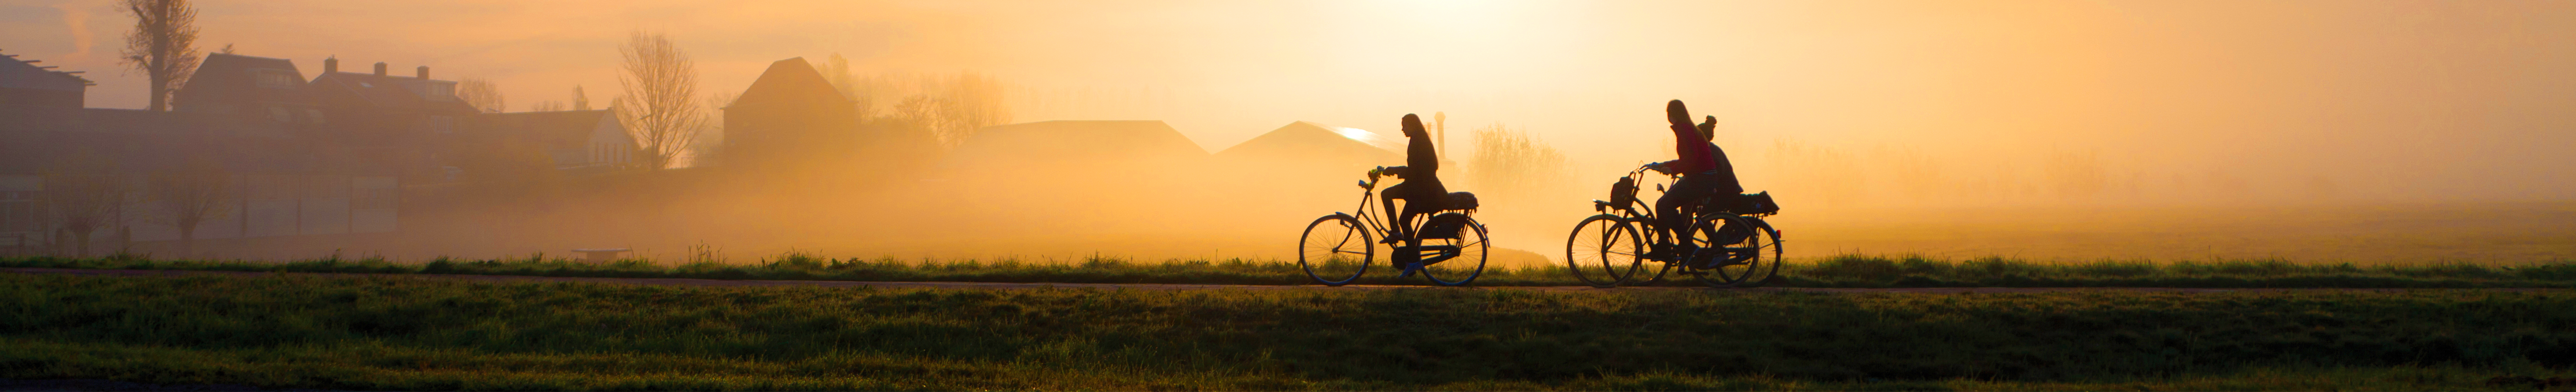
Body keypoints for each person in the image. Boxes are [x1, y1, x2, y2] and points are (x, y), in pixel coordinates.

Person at [1644, 100, 1744, 261]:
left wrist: (1673, 170)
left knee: (1664, 205)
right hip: (1702, 177)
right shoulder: (1688, 128)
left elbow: (1691, 158)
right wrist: (1663, 165)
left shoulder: (1684, 129)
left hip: (1701, 178)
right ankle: (1666, 246)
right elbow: (1687, 158)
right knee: (1664, 204)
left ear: (1672, 114)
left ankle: (1685, 245)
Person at [1372, 114, 1445, 248]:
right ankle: (1398, 235)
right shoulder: (1420, 139)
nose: (1403, 130)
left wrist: (1394, 170)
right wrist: (1394, 170)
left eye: (1404, 126)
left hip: (1421, 190)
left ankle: (1411, 256)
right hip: (1419, 187)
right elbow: (1417, 169)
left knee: (1403, 218)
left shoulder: (1418, 141)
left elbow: (1416, 171)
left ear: (1413, 125)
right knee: (1388, 197)